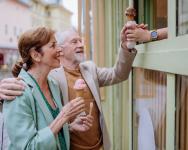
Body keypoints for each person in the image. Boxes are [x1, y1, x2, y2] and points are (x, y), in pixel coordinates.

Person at [0, 24, 137, 150]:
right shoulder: (48, 77)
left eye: (80, 40)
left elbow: (118, 74)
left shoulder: (84, 71)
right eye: (74, 41)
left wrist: (126, 46)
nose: (81, 45)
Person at [2, 27, 93, 150]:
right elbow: (28, 147)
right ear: (36, 55)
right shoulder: (18, 92)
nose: (59, 49)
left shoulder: (53, 84)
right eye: (53, 45)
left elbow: (48, 129)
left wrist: (69, 127)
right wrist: (63, 116)